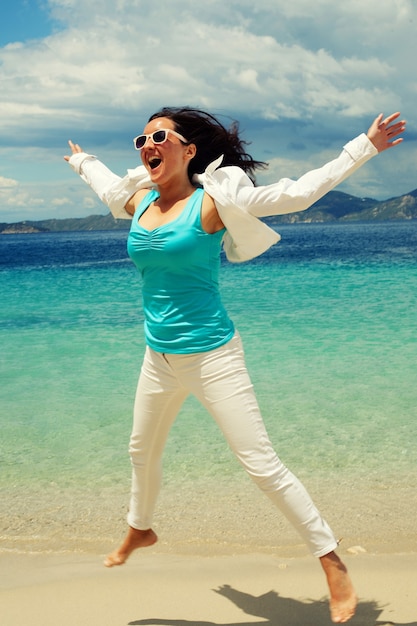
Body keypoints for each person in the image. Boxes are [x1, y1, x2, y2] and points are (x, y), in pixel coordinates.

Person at [65, 107, 405, 624]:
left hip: (213, 358)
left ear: (188, 150)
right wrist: (81, 160)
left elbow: (298, 193)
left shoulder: (213, 205)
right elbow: (105, 183)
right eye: (141, 138)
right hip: (157, 358)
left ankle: (331, 560)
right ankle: (141, 526)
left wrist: (365, 146)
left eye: (159, 136)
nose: (146, 146)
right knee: (140, 449)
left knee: (261, 465)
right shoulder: (137, 201)